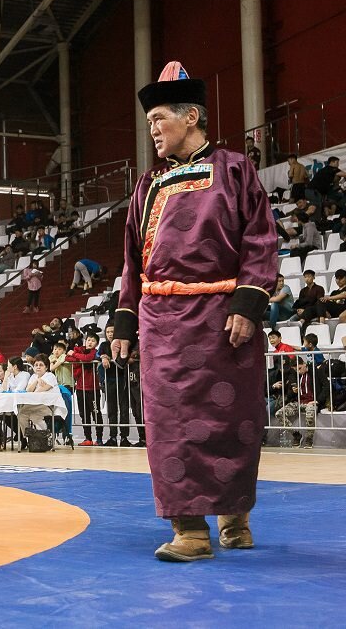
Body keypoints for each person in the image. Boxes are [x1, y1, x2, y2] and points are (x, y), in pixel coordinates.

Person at [112, 61, 277, 562]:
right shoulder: (147, 185)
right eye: (149, 123)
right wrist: (125, 319)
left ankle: (234, 515)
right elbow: (131, 258)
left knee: (233, 419)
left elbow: (260, 238)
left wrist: (249, 302)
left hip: (224, 315)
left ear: (191, 117)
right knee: (171, 424)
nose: (154, 130)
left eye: (160, 118)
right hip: (162, 323)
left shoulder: (233, 168)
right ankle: (190, 529)